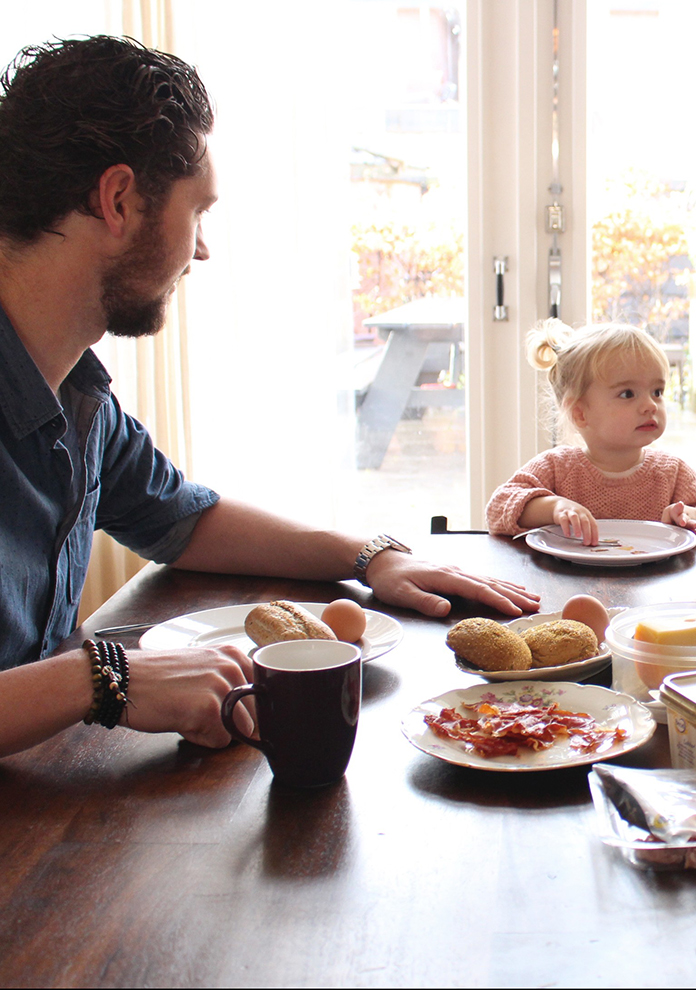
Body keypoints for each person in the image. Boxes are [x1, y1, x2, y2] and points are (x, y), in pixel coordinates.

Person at [0, 36, 539, 758]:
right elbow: (102, 674)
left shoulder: (77, 396)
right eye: (198, 212)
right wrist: (103, 680)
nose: (201, 250)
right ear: (119, 199)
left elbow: (185, 521)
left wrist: (372, 557)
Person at [485, 319, 696, 544]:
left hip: (656, 589)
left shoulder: (672, 472)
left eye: (657, 391)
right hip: (568, 587)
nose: (651, 405)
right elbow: (497, 509)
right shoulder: (556, 467)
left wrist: (692, 518)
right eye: (627, 394)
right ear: (580, 413)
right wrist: (554, 507)